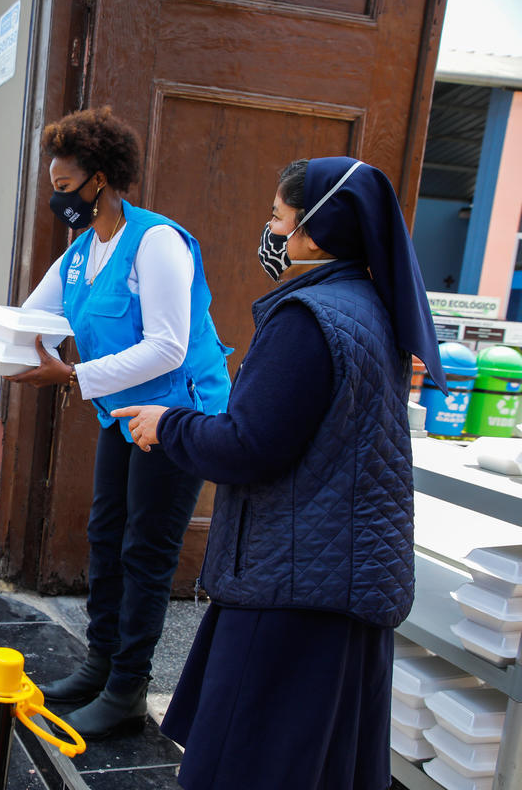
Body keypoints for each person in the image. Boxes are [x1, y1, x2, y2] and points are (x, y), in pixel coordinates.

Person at [0, 107, 231, 738]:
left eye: (65, 185)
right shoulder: (81, 255)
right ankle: (99, 664)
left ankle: (128, 688)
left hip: (177, 413)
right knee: (105, 536)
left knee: (146, 549)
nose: (59, 198)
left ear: (101, 179)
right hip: (122, 412)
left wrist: (74, 376)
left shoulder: (156, 242)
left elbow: (169, 346)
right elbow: (23, 326)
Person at [116, 157, 446, 789]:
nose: (270, 230)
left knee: (248, 768)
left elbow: (249, 445)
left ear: (315, 230)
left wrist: (169, 423)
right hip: (338, 578)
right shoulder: (370, 307)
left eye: (277, 216)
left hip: (293, 589)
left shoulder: (307, 320)